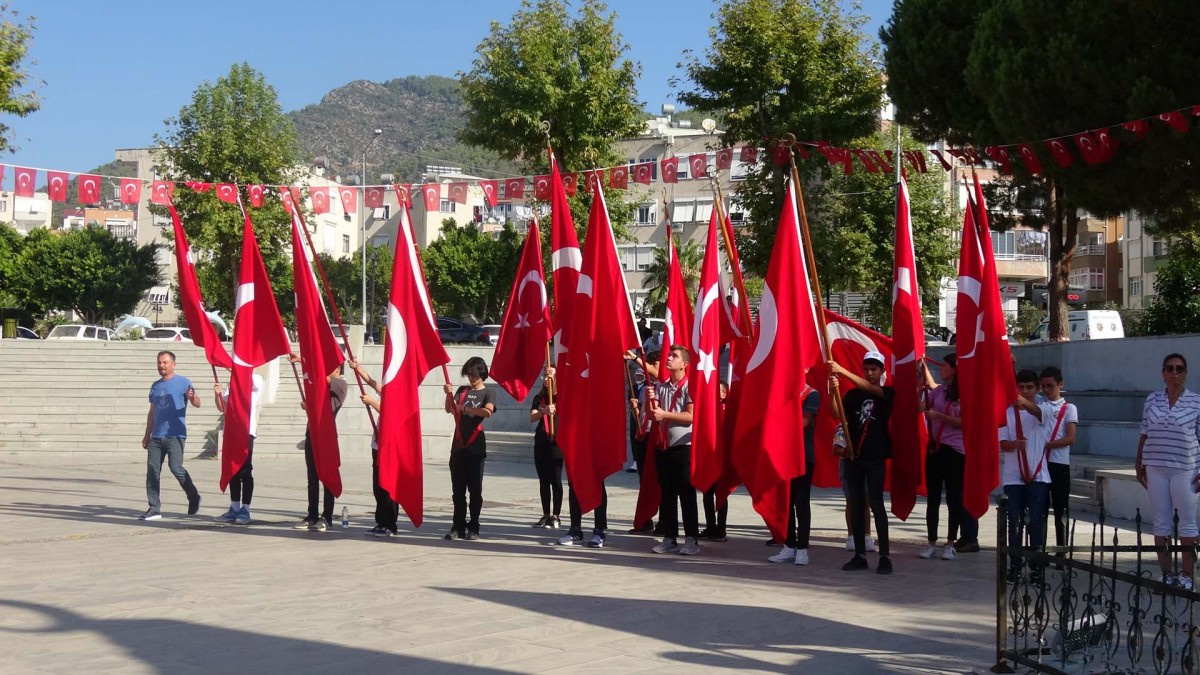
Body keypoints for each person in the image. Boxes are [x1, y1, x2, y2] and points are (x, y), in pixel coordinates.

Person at [1135, 353, 1200, 589]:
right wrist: (1139, 461)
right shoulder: (1153, 400)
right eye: (1170, 369)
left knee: (1187, 523)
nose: (1175, 373)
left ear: (1185, 373)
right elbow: (1144, 431)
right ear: (1163, 373)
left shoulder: (1196, 402)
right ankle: (1166, 573)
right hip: (1155, 466)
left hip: (1186, 467)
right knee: (1161, 522)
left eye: (1179, 369)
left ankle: (1186, 574)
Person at [833, 351, 895, 574]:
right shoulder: (852, 395)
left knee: (876, 505)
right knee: (857, 505)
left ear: (881, 372)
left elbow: (871, 389)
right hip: (853, 458)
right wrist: (834, 388)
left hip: (875, 457)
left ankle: (885, 556)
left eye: (874, 370)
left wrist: (842, 370)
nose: (869, 374)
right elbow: (836, 412)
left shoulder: (887, 393)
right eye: (866, 369)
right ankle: (859, 554)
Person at [645, 345, 700, 556]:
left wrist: (665, 414)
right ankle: (669, 537)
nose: (669, 358)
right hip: (663, 447)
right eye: (669, 355)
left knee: (686, 494)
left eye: (674, 356)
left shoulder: (689, 386)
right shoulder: (661, 386)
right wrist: (650, 405)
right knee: (667, 496)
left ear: (684, 364)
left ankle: (691, 539)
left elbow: (691, 416)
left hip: (684, 447)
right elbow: (653, 416)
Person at [1000, 369, 1053, 582]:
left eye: (1029, 387)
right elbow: (1003, 443)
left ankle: (1037, 567)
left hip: (1038, 476)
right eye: (1020, 387)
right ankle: (1015, 565)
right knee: (1014, 522)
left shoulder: (1045, 408)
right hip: (1014, 477)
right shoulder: (1006, 413)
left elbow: (1038, 414)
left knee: (1035, 523)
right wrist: (1015, 445)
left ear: (1036, 389)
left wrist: (1024, 402)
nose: (1024, 391)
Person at [140, 351, 202, 521]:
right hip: (156, 436)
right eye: (159, 362)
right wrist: (147, 435)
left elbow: (197, 403)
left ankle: (193, 495)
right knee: (152, 471)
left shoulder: (183, 382)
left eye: (165, 362)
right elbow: (152, 412)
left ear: (173, 364)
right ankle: (154, 508)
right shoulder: (155, 386)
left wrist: (193, 397)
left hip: (175, 434)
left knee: (176, 468)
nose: (162, 366)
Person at [290, 356, 349, 532]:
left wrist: (305, 360)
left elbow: (322, 378)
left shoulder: (340, 384)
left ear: (337, 368)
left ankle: (327, 517)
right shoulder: (322, 387)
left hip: (327, 437)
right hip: (312, 434)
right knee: (312, 478)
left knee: (327, 476)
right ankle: (312, 515)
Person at [768, 383, 821, 565]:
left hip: (803, 456)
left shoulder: (811, 394)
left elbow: (804, 423)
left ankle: (802, 548)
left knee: (801, 502)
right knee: (786, 502)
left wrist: (778, 421)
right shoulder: (780, 392)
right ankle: (789, 546)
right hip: (782, 455)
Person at [443, 357, 496, 541]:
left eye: (474, 374)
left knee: (475, 490)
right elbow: (450, 409)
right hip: (458, 446)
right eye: (468, 374)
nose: (471, 378)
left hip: (476, 447)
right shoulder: (462, 391)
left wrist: (465, 409)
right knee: (458, 490)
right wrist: (447, 394)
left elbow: (487, 411)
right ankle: (458, 525)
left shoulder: (488, 392)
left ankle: (474, 525)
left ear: (481, 374)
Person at [919, 355, 965, 561]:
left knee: (954, 498)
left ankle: (950, 543)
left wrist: (940, 417)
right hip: (934, 449)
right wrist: (917, 389)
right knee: (933, 498)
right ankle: (931, 542)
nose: (942, 369)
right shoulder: (938, 392)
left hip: (955, 451)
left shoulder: (964, 394)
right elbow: (919, 408)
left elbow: (964, 422)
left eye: (945, 366)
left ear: (954, 369)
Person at [351, 359, 400, 537]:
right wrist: (357, 368)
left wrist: (371, 402)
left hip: (390, 446)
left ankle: (391, 524)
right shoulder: (387, 391)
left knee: (388, 486)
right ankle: (380, 521)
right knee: (378, 485)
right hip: (377, 445)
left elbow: (390, 414)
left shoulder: (401, 395)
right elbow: (372, 383)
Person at [214, 370, 264, 525]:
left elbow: (252, 381)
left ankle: (245, 509)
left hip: (247, 431)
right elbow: (224, 407)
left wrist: (235, 369)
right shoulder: (232, 384)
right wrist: (218, 395)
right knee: (233, 470)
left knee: (245, 469)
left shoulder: (256, 378)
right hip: (232, 431)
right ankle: (234, 507)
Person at [1039, 366, 1078, 557]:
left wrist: (1046, 445)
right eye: (1043, 386)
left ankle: (1062, 550)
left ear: (1060, 385)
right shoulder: (1040, 405)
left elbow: (1070, 438)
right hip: (1042, 464)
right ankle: (1042, 549)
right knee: (1041, 509)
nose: (1046, 390)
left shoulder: (1069, 408)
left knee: (1061, 508)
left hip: (1059, 463)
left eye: (1050, 386)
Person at [529, 370, 562, 529]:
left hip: (556, 442)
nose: (546, 379)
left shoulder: (561, 397)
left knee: (555, 479)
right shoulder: (539, 398)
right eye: (544, 376)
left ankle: (556, 515)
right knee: (543, 480)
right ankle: (546, 514)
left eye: (549, 376)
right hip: (541, 440)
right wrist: (544, 411)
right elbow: (532, 417)